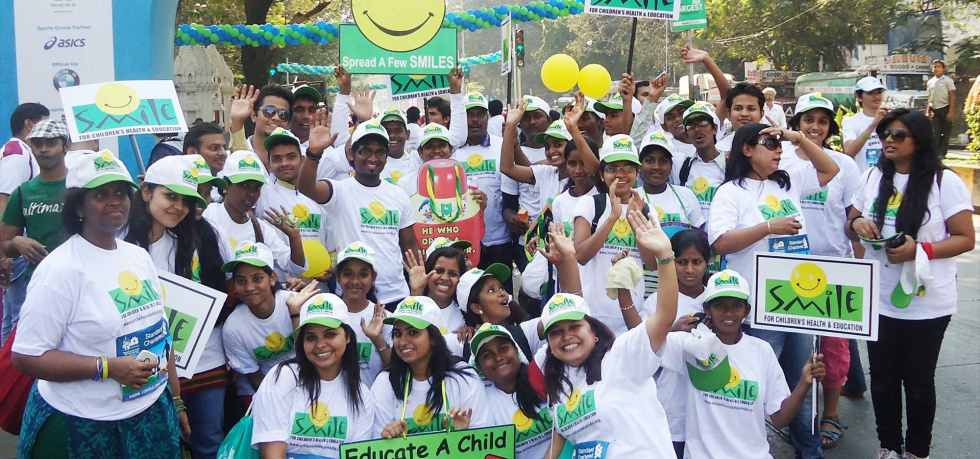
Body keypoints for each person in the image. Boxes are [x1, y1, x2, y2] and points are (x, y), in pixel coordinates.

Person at [12, 151, 188, 458]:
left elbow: (161, 334)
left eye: (121, 192)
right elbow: (27, 356)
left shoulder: (137, 257)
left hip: (148, 415)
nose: (115, 201)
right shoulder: (61, 269)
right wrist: (107, 368)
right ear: (79, 205)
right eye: (101, 194)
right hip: (81, 423)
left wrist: (176, 400)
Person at [846, 108, 974, 459]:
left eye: (898, 135)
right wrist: (857, 225)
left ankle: (917, 451)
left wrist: (921, 249)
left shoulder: (944, 182)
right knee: (883, 380)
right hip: (879, 299)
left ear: (919, 141)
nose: (888, 140)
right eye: (885, 133)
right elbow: (852, 220)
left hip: (928, 303)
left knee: (918, 384)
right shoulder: (873, 176)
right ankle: (888, 447)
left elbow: (965, 238)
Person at [709, 122, 839, 459]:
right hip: (759, 305)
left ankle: (809, 453)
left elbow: (830, 167)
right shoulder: (731, 192)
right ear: (747, 150)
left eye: (779, 143)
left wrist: (797, 138)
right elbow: (721, 242)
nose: (778, 149)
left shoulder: (789, 181)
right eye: (769, 143)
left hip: (799, 302)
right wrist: (768, 227)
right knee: (758, 386)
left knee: (803, 382)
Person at [537, 209, 679, 458]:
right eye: (557, 332)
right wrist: (568, 259)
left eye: (574, 327)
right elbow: (561, 436)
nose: (567, 336)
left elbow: (664, 318)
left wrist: (665, 257)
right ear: (549, 343)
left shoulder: (621, 356)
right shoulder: (558, 384)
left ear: (594, 333)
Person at [123, 155, 231, 459]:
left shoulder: (200, 238)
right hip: (144, 364)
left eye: (185, 200)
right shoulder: (119, 243)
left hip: (204, 360)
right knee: (158, 445)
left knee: (209, 443)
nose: (178, 206)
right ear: (146, 193)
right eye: (170, 195)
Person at [659, 269, 826, 459]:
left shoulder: (762, 351)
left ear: (746, 311)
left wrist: (805, 382)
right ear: (707, 309)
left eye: (736, 305)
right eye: (720, 305)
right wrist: (672, 329)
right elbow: (645, 346)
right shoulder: (690, 345)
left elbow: (780, 419)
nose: (729, 312)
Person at [781, 93, 861, 449]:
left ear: (830, 127)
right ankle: (793, 414)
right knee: (796, 350)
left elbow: (853, 218)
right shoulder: (778, 159)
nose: (815, 126)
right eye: (808, 119)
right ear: (795, 123)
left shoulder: (845, 164)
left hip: (834, 268)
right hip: (785, 269)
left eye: (823, 121)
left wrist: (858, 263)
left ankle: (831, 413)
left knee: (834, 349)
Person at [298, 116, 422, 307]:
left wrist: (419, 283)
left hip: (396, 295)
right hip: (353, 295)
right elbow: (307, 188)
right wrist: (313, 153)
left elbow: (409, 244)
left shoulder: (399, 194)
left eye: (380, 152)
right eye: (365, 151)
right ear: (351, 154)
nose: (373, 158)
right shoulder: (340, 190)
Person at [251, 293, 376, 458]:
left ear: (347, 337)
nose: (320, 345)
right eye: (311, 337)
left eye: (330, 334)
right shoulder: (282, 377)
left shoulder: (361, 394)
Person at [371, 296, 490, 438]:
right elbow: (375, 446)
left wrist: (462, 436)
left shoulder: (464, 378)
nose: (402, 342)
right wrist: (387, 438)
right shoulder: (385, 381)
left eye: (413, 332)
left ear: (433, 337)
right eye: (397, 333)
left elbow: (485, 442)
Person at [571, 134, 653, 335]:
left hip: (632, 311)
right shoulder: (590, 204)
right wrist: (614, 216)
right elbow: (580, 255)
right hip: (592, 313)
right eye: (612, 168)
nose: (620, 174)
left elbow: (652, 263)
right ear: (601, 174)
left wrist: (635, 221)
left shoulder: (645, 210)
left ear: (637, 172)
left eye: (628, 168)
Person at [1, 120, 71, 344]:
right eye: (38, 143)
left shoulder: (80, 187)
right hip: (39, 287)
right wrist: (17, 243)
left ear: (66, 146)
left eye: (51, 143)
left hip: (80, 285)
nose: (43, 149)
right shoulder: (23, 193)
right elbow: (5, 246)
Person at [220, 242, 315, 398]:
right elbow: (255, 379)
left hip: (309, 383)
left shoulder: (296, 303)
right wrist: (282, 400)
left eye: (257, 279)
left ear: (272, 278)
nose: (249, 287)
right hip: (265, 393)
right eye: (241, 281)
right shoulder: (233, 328)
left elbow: (313, 355)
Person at [203, 150, 307, 281]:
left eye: (257, 187)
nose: (251, 193)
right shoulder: (208, 214)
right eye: (244, 185)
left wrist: (294, 237)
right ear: (225, 186)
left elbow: (296, 267)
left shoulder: (260, 229)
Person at [254, 128, 332, 280]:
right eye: (276, 159)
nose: (284, 163)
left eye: (291, 157)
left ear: (302, 159)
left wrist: (331, 269)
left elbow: (331, 245)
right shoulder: (264, 191)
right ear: (269, 165)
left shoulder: (319, 195)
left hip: (318, 289)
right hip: (281, 287)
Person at [636, 130, 706, 296]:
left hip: (684, 280)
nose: (656, 167)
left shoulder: (685, 195)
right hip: (646, 279)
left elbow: (699, 239)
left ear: (671, 166)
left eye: (663, 161)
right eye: (650, 160)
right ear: (639, 166)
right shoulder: (634, 198)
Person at [471, 324, 552, 459]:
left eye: (503, 349)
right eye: (487, 355)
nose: (498, 358)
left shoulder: (541, 374)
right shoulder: (482, 403)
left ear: (517, 351)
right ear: (479, 367)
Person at [0, 102, 49, 324]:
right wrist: (4, 254)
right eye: (44, 122)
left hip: (16, 245)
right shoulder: (17, 154)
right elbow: (3, 202)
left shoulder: (19, 152)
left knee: (11, 316)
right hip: (17, 247)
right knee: (21, 316)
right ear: (29, 124)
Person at [453, 92, 512, 275]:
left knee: (500, 296)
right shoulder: (451, 150)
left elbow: (511, 191)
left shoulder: (502, 146)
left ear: (487, 116)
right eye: (469, 115)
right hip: (460, 241)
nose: (475, 120)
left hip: (497, 240)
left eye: (480, 114)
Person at [502, 96, 552, 269]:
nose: (532, 122)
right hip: (527, 241)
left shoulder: (561, 154)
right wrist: (512, 219)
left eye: (538, 116)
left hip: (556, 238)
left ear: (549, 119)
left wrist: (511, 141)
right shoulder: (511, 155)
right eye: (526, 118)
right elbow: (508, 205)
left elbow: (535, 171)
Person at [334, 242, 391, 385]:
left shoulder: (386, 319)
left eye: (363, 274)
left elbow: (396, 369)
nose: (355, 281)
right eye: (348, 274)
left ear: (373, 278)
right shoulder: (327, 315)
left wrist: (377, 339)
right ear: (337, 277)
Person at [227, 85, 295, 170]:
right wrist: (237, 121)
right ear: (254, 115)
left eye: (283, 114)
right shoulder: (229, 156)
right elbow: (239, 155)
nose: (276, 118)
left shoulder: (297, 159)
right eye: (269, 111)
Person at [675, 102, 726, 216]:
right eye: (690, 126)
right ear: (687, 135)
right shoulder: (681, 166)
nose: (697, 129)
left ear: (714, 129)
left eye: (703, 123)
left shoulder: (732, 165)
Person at [843, 76, 888, 172]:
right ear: (859, 97)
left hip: (887, 177)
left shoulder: (890, 118)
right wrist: (873, 125)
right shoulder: (851, 122)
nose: (876, 97)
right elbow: (849, 152)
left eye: (879, 92)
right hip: (863, 180)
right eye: (871, 93)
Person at [378, 107, 421, 187]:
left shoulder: (417, 160)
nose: (392, 136)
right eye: (387, 131)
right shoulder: (373, 165)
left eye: (398, 131)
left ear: (407, 134)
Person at [926, 59, 956, 158]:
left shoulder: (947, 81)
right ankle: (936, 152)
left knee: (946, 131)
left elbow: (952, 96)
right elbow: (930, 97)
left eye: (939, 66)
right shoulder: (930, 82)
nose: (936, 68)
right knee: (935, 132)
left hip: (945, 108)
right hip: (934, 108)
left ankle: (943, 152)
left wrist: (951, 112)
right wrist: (928, 111)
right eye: (935, 66)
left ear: (943, 69)